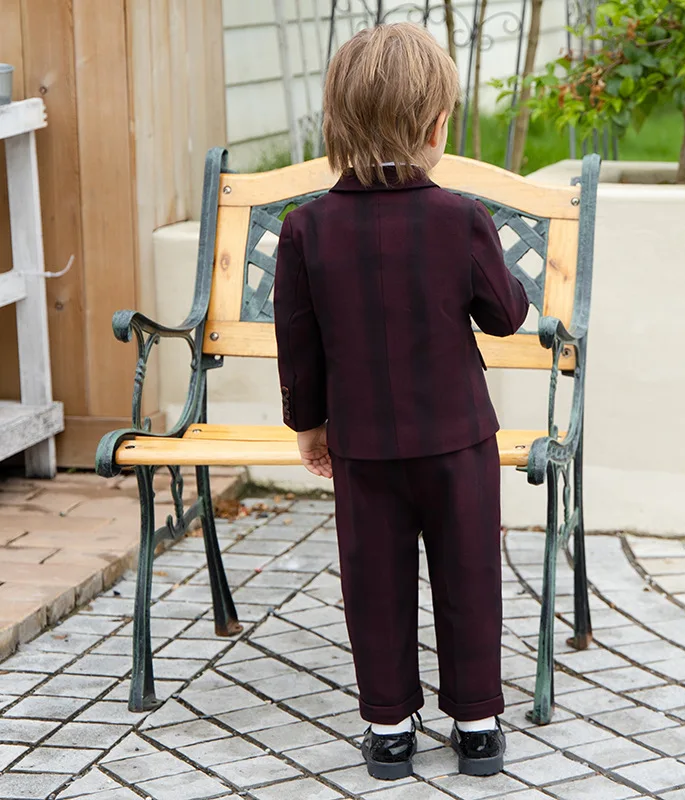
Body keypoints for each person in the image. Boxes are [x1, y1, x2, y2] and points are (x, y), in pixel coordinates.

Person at [274, 22, 529, 781]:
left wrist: (308, 429)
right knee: (470, 573)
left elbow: (300, 344)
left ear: (336, 122)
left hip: (362, 447)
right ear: (435, 125)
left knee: (374, 582)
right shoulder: (461, 218)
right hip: (458, 442)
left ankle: (388, 729)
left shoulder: (306, 228)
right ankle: (477, 725)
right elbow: (506, 315)